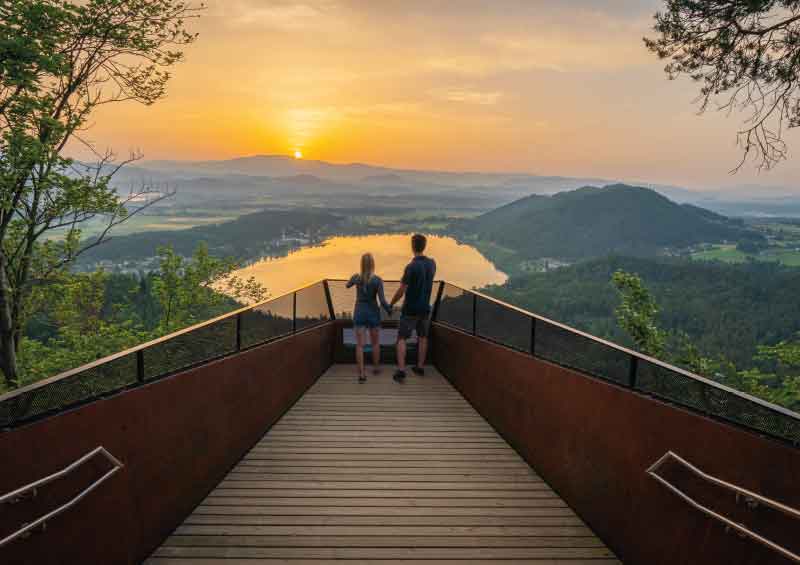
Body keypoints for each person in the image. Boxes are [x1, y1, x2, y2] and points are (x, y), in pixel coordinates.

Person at [390, 234, 436, 383]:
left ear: (412, 246)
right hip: (425, 308)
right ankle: (420, 367)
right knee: (423, 337)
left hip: (410, 309)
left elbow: (402, 290)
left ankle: (402, 370)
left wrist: (391, 303)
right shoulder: (432, 264)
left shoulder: (411, 267)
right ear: (425, 245)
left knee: (401, 338)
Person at [347, 253, 392, 383]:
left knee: (360, 345)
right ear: (373, 265)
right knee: (375, 343)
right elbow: (382, 301)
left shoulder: (357, 277)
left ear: (361, 264)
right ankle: (376, 368)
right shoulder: (377, 280)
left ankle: (361, 374)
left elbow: (347, 285)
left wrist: (353, 279)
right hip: (373, 312)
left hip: (360, 312)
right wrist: (389, 310)